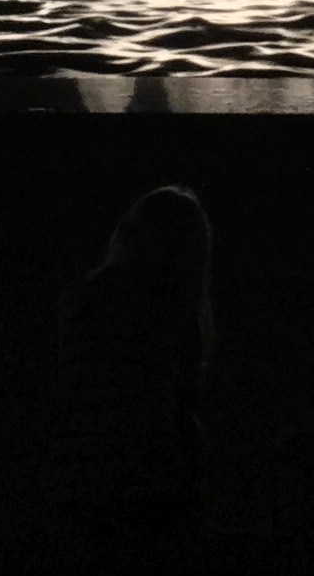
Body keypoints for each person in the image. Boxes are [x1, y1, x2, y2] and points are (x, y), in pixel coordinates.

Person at [44, 184, 214, 543]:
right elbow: (181, 405)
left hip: (75, 479)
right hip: (147, 482)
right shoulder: (168, 307)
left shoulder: (78, 298)